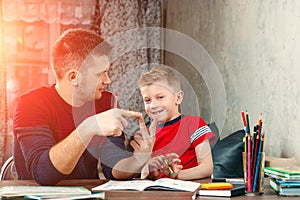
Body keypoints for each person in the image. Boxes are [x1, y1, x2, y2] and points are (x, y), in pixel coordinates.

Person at [13, 28, 153, 185]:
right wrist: (88, 127)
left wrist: (137, 160)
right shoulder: (31, 103)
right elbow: (43, 173)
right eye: (101, 73)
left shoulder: (106, 102)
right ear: (74, 77)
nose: (108, 81)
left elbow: (113, 167)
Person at [137, 65, 217, 180]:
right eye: (147, 100)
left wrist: (176, 176)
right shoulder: (147, 134)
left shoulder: (194, 124)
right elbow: (143, 173)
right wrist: (148, 170)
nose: (153, 105)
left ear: (178, 98)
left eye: (160, 97)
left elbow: (207, 168)